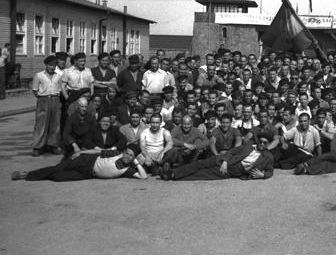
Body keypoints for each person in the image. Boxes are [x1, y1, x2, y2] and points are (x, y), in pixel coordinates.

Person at [161, 136, 274, 181]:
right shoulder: (248, 146)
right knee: (199, 164)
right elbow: (232, 151)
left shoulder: (268, 157)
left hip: (235, 170)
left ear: (268, 144)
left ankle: (175, 177)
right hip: (224, 160)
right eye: (261, 142)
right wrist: (225, 162)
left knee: (203, 174)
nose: (262, 144)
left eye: (265, 143)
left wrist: (263, 175)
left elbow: (270, 171)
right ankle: (172, 173)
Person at [11, 145, 147, 182]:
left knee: (58, 177)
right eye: (127, 153)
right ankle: (25, 175)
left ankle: (44, 175)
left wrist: (137, 163)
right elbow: (97, 152)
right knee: (57, 168)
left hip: (88, 174)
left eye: (131, 155)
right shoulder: (116, 153)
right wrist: (81, 153)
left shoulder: (127, 170)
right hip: (87, 160)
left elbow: (143, 177)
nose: (128, 156)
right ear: (123, 152)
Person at [31, 55, 63, 156]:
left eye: (54, 65)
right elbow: (35, 90)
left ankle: (52, 145)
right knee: (41, 124)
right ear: (46, 65)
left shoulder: (58, 76)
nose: (52, 67)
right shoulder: (39, 75)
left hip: (55, 99)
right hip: (43, 99)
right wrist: (43, 98)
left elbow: (60, 88)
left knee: (55, 124)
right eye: (50, 65)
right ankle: (38, 146)